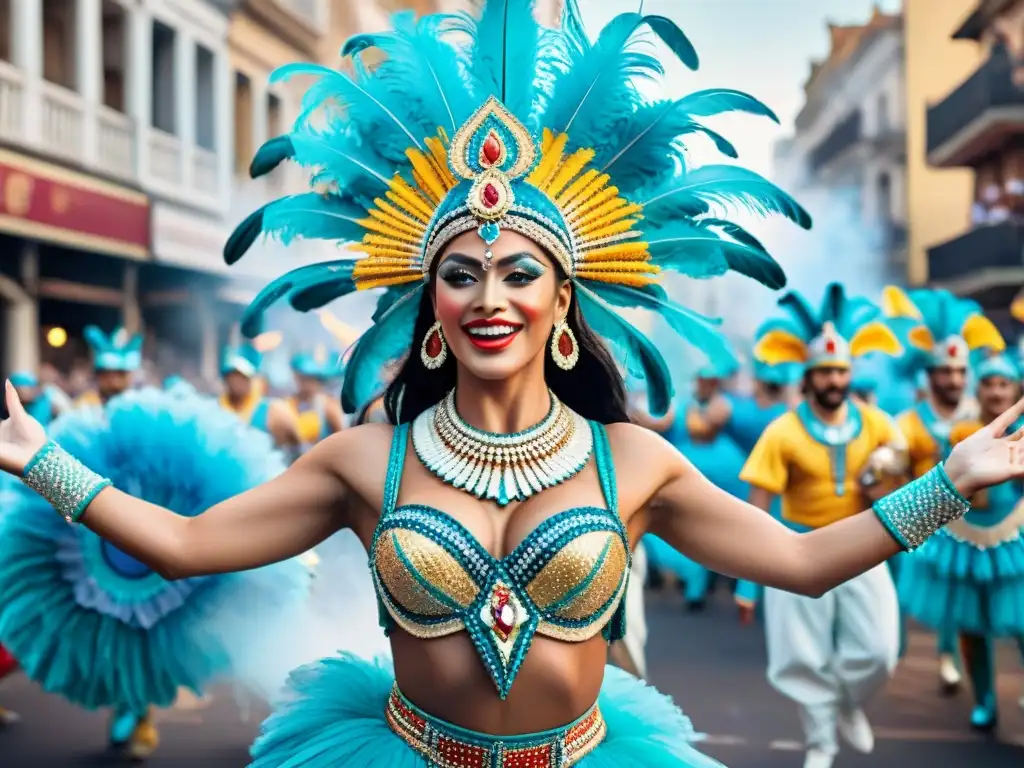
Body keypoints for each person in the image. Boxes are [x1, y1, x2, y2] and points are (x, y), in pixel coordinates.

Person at [1, 3, 1021, 766]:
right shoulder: (364, 459)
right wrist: (38, 461)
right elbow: (185, 545)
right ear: (430, 307)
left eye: (519, 270)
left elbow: (800, 563)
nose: (490, 295)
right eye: (461, 272)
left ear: (564, 303)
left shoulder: (632, 460)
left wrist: (954, 478)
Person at [0, 388, 310, 759]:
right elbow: (180, 544)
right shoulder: (93, 415)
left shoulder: (272, 415)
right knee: (115, 629)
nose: (112, 378)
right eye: (106, 372)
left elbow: (185, 545)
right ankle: (129, 706)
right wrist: (43, 463)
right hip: (112, 542)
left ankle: (137, 709)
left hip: (200, 527)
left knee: (153, 633)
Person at [740, 283, 908, 768]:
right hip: (797, 549)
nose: (834, 379)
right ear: (809, 378)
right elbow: (757, 508)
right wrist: (749, 586)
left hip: (860, 548)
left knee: (880, 651)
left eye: (841, 370)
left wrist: (885, 468)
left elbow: (897, 475)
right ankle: (821, 743)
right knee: (801, 657)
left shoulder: (878, 422)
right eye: (825, 372)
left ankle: (848, 701)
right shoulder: (783, 431)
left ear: (850, 374)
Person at [898, 343, 1024, 730]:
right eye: (988, 384)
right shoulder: (962, 434)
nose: (996, 392)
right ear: (978, 389)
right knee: (971, 627)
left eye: (1004, 384)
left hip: (1015, 535)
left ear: (1015, 390)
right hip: (965, 539)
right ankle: (985, 699)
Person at [882, 286, 994, 691]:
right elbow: (892, 472)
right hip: (924, 528)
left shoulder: (983, 419)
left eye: (960, 372)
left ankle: (958, 660)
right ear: (929, 376)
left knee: (975, 601)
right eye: (945, 372)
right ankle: (911, 650)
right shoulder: (908, 422)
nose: (953, 379)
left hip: (976, 524)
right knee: (919, 589)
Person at [682, 324, 802, 621]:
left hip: (771, 491)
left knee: (767, 546)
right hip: (766, 490)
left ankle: (750, 595)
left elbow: (700, 432)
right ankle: (745, 594)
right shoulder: (788, 409)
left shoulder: (738, 406)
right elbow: (700, 432)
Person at [219, 342, 300, 450]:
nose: (236, 382)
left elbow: (296, 443)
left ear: (251, 379)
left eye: (242, 377)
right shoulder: (215, 409)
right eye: (232, 376)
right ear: (226, 379)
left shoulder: (274, 411)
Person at [286, 345, 345, 453]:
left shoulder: (328, 405)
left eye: (310, 379)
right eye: (302, 378)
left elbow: (343, 439)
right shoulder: (291, 402)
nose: (305, 384)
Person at [75, 326, 143, 406]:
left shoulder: (139, 405)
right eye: (106, 375)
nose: (114, 382)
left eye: (120, 374)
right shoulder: (87, 405)